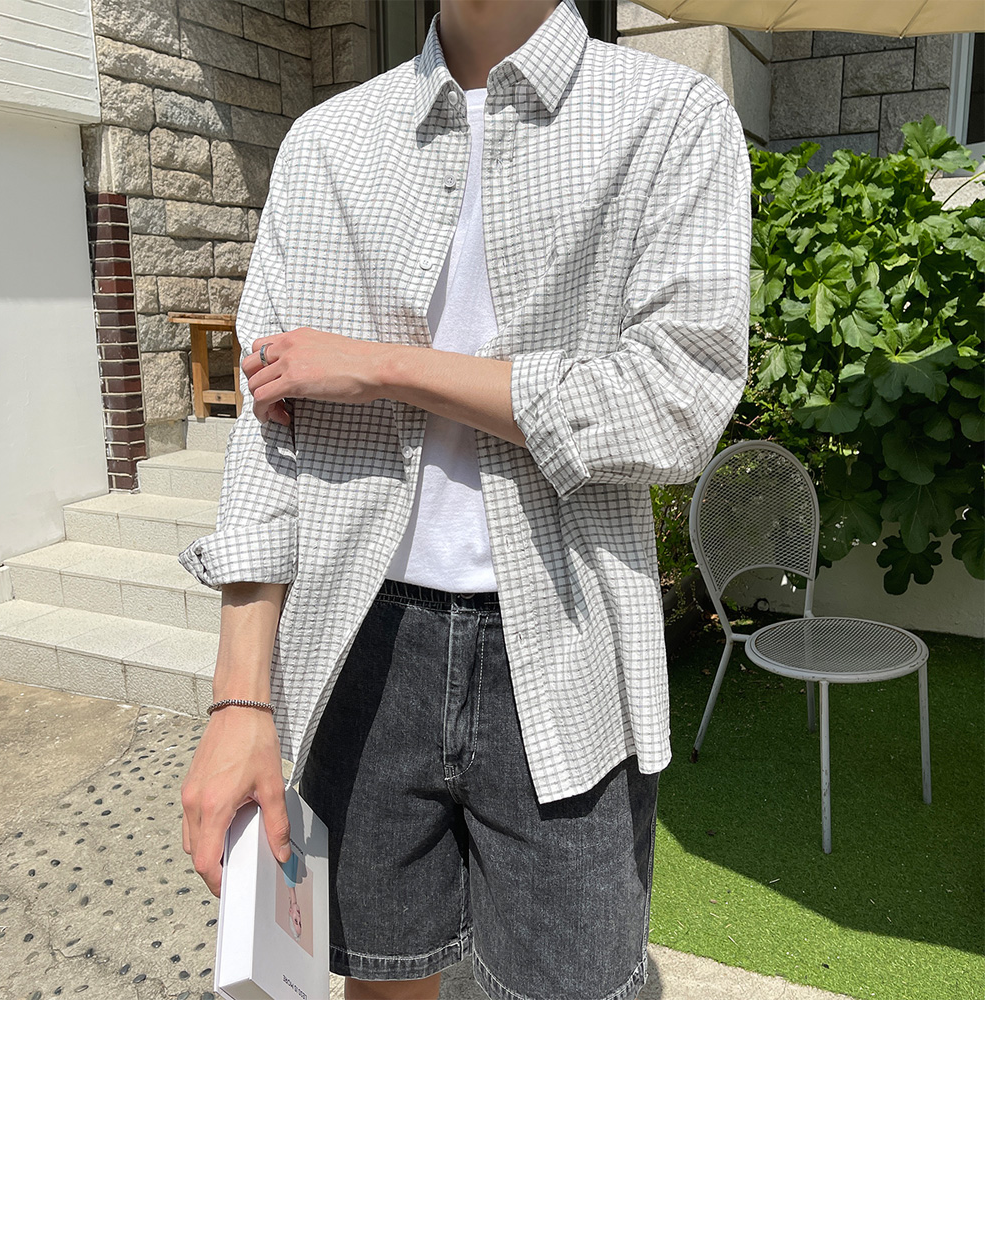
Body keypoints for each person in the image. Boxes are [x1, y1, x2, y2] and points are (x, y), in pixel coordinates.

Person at [179, 0, 752, 1000]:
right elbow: (269, 431)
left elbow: (675, 402)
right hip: (359, 646)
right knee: (382, 992)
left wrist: (388, 368)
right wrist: (240, 698)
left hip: (568, 649)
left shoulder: (670, 116)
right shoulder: (327, 143)